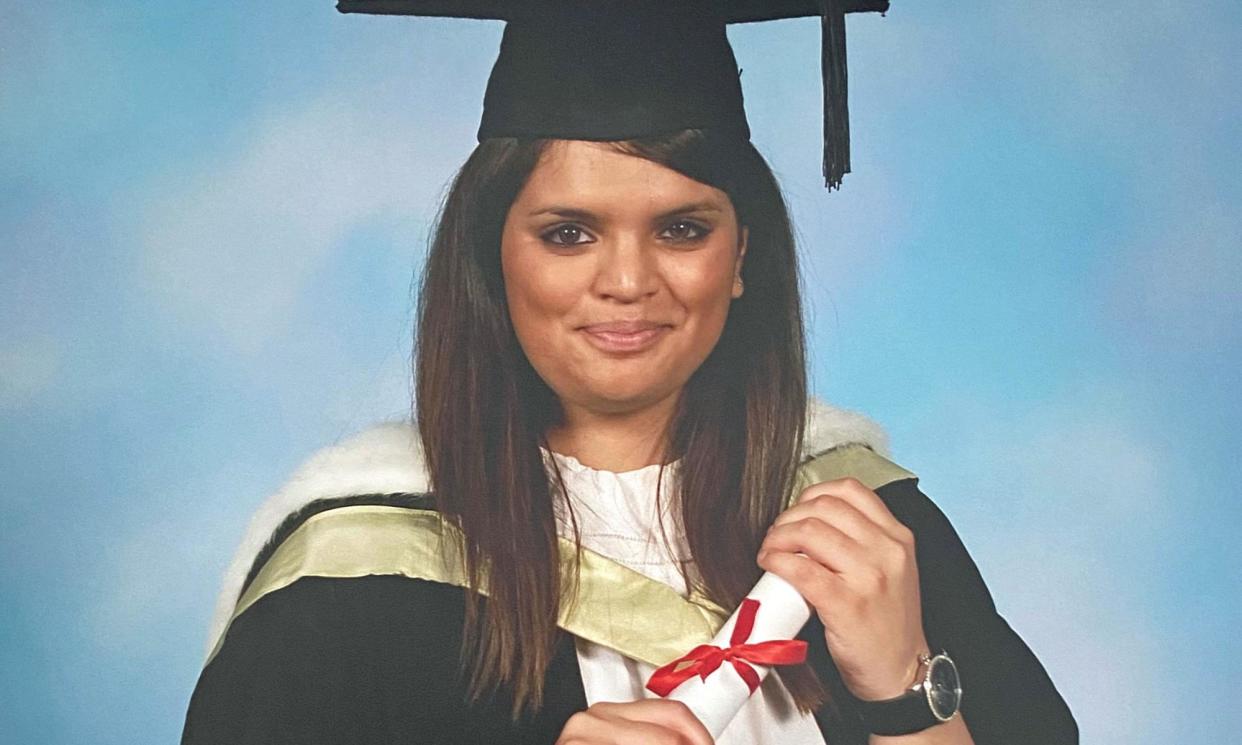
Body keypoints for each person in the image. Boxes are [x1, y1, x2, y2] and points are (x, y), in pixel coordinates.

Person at [181, 2, 1078, 743]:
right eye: (568, 232)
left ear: (741, 259)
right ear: (492, 260)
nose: (628, 281)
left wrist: (903, 689)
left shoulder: (866, 530)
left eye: (682, 229)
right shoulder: (348, 579)